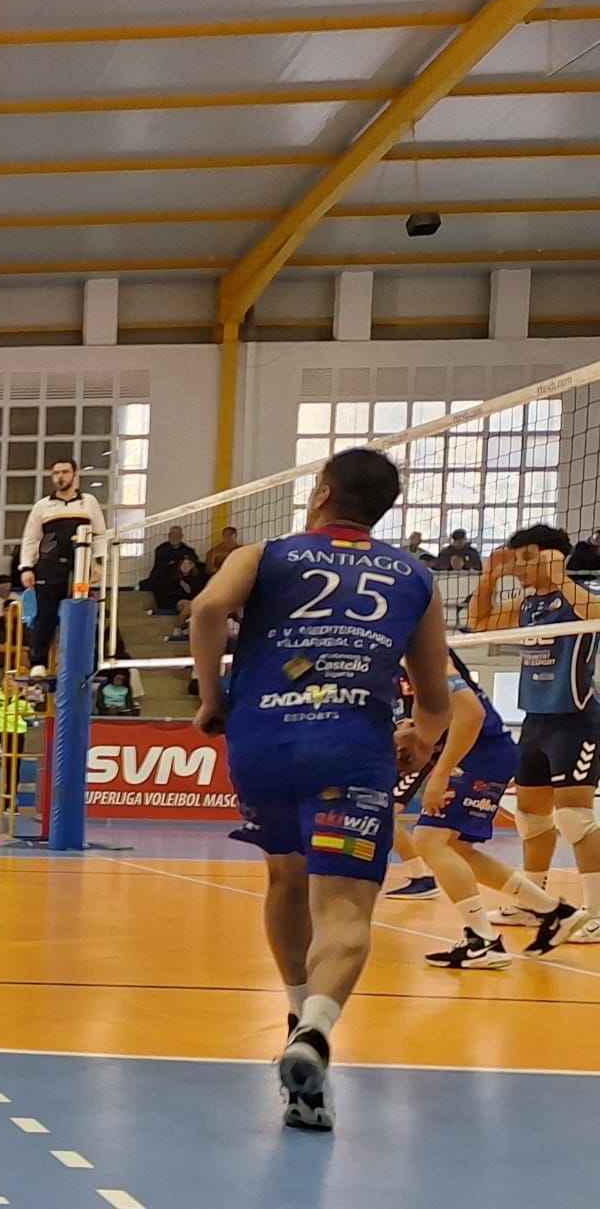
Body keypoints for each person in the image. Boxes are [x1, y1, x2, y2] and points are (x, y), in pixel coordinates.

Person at [187, 447, 452, 1133]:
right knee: (345, 909)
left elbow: (208, 608)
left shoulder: (266, 554)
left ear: (324, 493)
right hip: (351, 749)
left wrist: (212, 698)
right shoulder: (415, 575)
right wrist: (421, 739)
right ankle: (316, 1027)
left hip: (263, 742)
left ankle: (295, 1012)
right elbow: (434, 697)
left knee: (285, 875)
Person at [401, 650, 586, 968]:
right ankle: (554, 912)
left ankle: (482, 941)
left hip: (480, 754)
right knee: (456, 849)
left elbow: (471, 713)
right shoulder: (389, 664)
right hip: (479, 753)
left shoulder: (420, 651)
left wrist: (441, 772)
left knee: (429, 841)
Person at [467, 524, 600, 941]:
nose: (519, 567)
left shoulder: (579, 598)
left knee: (574, 818)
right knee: (531, 818)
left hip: (575, 720)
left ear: (550, 558)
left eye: (526, 558)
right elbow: (479, 623)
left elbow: (596, 615)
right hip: (535, 721)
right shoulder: (528, 605)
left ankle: (596, 912)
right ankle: (533, 902)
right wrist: (490, 576)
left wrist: (561, 575)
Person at [18, 458, 106, 667]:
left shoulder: (89, 502)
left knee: (79, 614)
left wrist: (99, 563)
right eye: (56, 473)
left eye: (65, 472)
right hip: (48, 568)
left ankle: (83, 662)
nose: (60, 477)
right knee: (45, 616)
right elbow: (31, 538)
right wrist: (27, 567)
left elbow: (100, 534)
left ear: (75, 475)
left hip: (79, 568)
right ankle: (38, 664)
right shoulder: (42, 506)